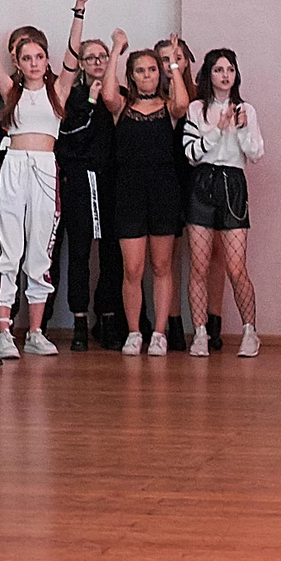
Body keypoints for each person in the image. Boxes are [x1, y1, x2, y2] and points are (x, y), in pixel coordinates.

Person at [0, 0, 100, 358]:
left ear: (46, 60)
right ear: (18, 61)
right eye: (26, 58)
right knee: (8, 252)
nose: (33, 63)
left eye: (39, 57)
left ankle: (36, 332)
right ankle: (4, 333)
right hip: (14, 169)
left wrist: (80, 7)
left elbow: (74, 52)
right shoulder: (9, 91)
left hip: (46, 170)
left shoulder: (58, 90)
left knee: (40, 253)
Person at [101, 28, 192, 356]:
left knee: (162, 267)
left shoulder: (169, 108)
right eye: (140, 70)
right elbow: (108, 94)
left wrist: (173, 64)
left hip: (164, 193)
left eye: (152, 69)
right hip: (129, 194)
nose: (147, 75)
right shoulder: (121, 107)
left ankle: (159, 333)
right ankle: (134, 332)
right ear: (132, 75)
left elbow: (183, 103)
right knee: (133, 269)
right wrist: (116, 48)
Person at [183, 49, 265, 357]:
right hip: (202, 182)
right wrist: (217, 130)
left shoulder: (246, 109)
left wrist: (241, 129)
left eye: (230, 69)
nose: (225, 75)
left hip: (233, 183)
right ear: (208, 74)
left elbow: (256, 154)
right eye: (218, 69)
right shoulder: (196, 108)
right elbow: (191, 154)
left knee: (236, 266)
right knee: (199, 265)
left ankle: (250, 332)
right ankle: (200, 333)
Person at [57, 38, 116, 351]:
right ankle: (78, 322)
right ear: (80, 63)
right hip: (79, 182)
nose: (97, 62)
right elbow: (70, 138)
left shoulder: (116, 95)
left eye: (102, 56)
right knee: (79, 252)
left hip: (110, 183)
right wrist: (91, 100)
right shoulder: (73, 96)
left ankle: (107, 318)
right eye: (91, 57)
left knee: (111, 254)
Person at [154, 37, 200, 352]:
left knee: (200, 254)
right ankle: (172, 322)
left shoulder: (199, 97)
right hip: (164, 178)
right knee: (166, 256)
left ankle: (206, 324)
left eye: (178, 56)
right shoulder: (152, 99)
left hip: (194, 177)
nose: (173, 63)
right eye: (166, 58)